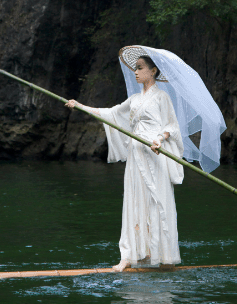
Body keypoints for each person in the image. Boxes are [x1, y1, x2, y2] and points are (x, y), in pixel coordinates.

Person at [66, 52, 185, 272]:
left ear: (153, 71)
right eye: (136, 68)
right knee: (133, 201)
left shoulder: (162, 98)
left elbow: (172, 127)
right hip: (136, 157)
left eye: (140, 68)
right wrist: (80, 106)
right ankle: (130, 255)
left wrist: (159, 139)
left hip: (155, 156)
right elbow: (110, 114)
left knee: (156, 201)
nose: (136, 72)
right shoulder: (135, 100)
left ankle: (162, 254)